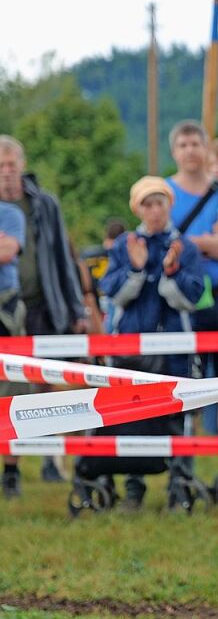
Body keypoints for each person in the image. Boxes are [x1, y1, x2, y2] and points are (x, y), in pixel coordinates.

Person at [99, 177, 206, 508]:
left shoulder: (184, 247)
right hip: (131, 349)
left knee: (179, 411)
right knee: (132, 414)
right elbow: (112, 292)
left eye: (160, 202)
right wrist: (136, 268)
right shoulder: (123, 246)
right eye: (147, 203)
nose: (154, 210)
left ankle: (179, 481)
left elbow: (192, 297)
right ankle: (134, 483)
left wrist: (170, 273)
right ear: (137, 209)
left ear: (169, 205)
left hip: (174, 347)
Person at [0, 134, 87, 486]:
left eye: (11, 165)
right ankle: (12, 470)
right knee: (10, 388)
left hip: (46, 306)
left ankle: (54, 459)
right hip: (7, 307)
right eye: (0, 166)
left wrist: (77, 308)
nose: (6, 172)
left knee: (53, 387)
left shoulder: (44, 203)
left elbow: (63, 258)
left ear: (22, 166)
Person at [165, 121, 218, 476]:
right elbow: (161, 243)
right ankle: (184, 465)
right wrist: (204, 245)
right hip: (182, 301)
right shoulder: (164, 193)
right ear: (174, 152)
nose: (190, 151)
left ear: (206, 147)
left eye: (196, 143)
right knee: (184, 385)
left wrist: (210, 246)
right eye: (183, 145)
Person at [0, 200, 26, 498]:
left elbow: (8, 251)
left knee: (12, 395)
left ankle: (10, 472)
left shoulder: (10, 213)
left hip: (6, 312)